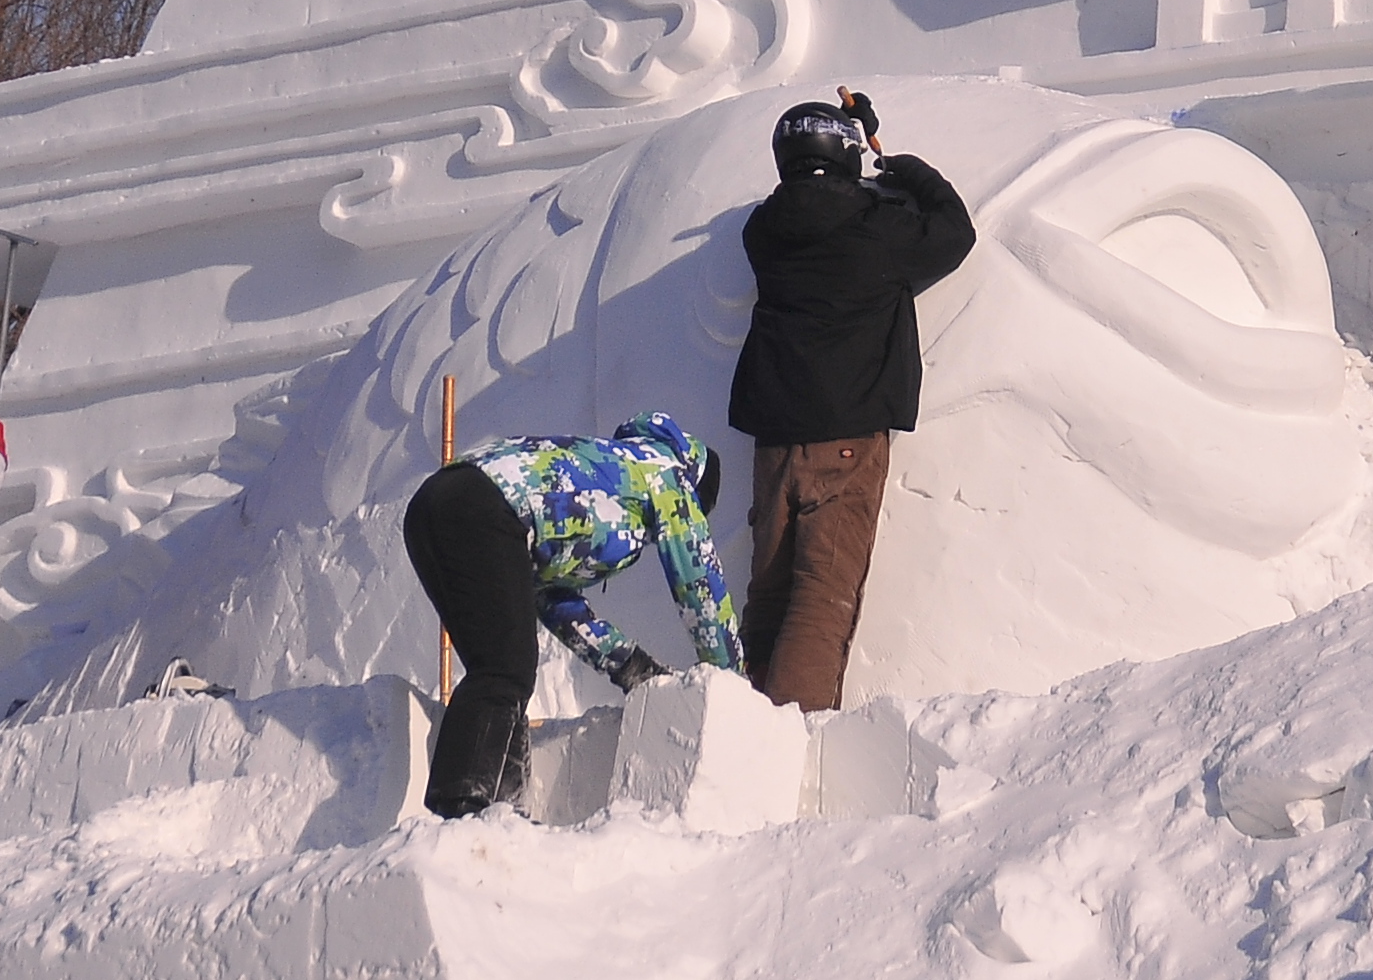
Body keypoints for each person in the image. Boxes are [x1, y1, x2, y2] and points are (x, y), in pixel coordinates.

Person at [727, 88, 973, 712]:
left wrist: (855, 147)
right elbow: (953, 229)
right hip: (847, 439)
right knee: (822, 598)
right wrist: (897, 163)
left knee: (769, 594)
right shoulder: (879, 230)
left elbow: (812, 204)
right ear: (847, 156)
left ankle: (742, 724)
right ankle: (792, 733)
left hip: (774, 440)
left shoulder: (762, 231)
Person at [398, 412, 741, 818]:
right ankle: (462, 803)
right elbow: (699, 583)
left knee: (502, 661)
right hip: (483, 509)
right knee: (503, 668)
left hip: (435, 505)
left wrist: (631, 667)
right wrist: (730, 682)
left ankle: (500, 807)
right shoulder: (667, 475)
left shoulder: (608, 470)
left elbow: (550, 598)